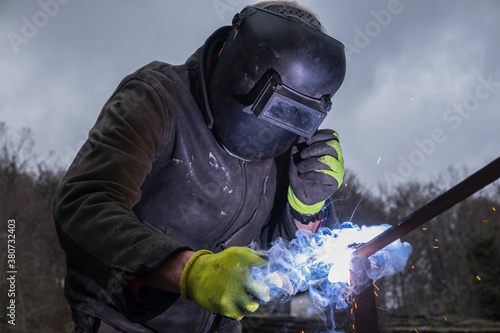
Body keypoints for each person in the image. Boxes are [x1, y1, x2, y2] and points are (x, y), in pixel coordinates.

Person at [53, 1, 346, 332]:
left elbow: (282, 262)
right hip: (123, 321)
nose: (279, 126)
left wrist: (305, 207)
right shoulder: (158, 99)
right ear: (236, 59)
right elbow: (83, 205)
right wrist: (192, 272)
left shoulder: (287, 140)